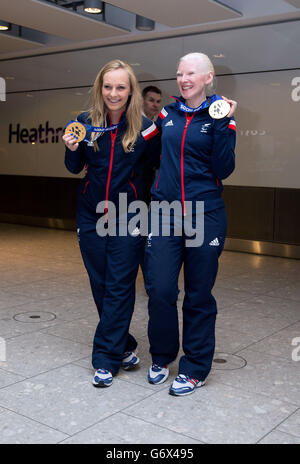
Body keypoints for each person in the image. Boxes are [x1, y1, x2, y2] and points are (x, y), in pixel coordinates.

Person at [63, 60, 160, 388]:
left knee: (119, 285)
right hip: (91, 215)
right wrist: (71, 148)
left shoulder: (146, 128)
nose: (113, 93)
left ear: (130, 90)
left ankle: (104, 360)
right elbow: (74, 167)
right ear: (99, 88)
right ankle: (124, 346)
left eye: (121, 87)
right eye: (108, 86)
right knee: (100, 283)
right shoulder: (84, 122)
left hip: (129, 216)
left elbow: (155, 171)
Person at [145, 52, 237, 396]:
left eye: (191, 74)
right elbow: (145, 150)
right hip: (165, 213)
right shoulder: (168, 113)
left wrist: (224, 124)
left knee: (198, 295)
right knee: (161, 289)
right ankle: (162, 356)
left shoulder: (219, 115)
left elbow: (224, 168)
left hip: (205, 214)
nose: (183, 79)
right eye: (180, 73)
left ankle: (195, 367)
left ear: (208, 77)